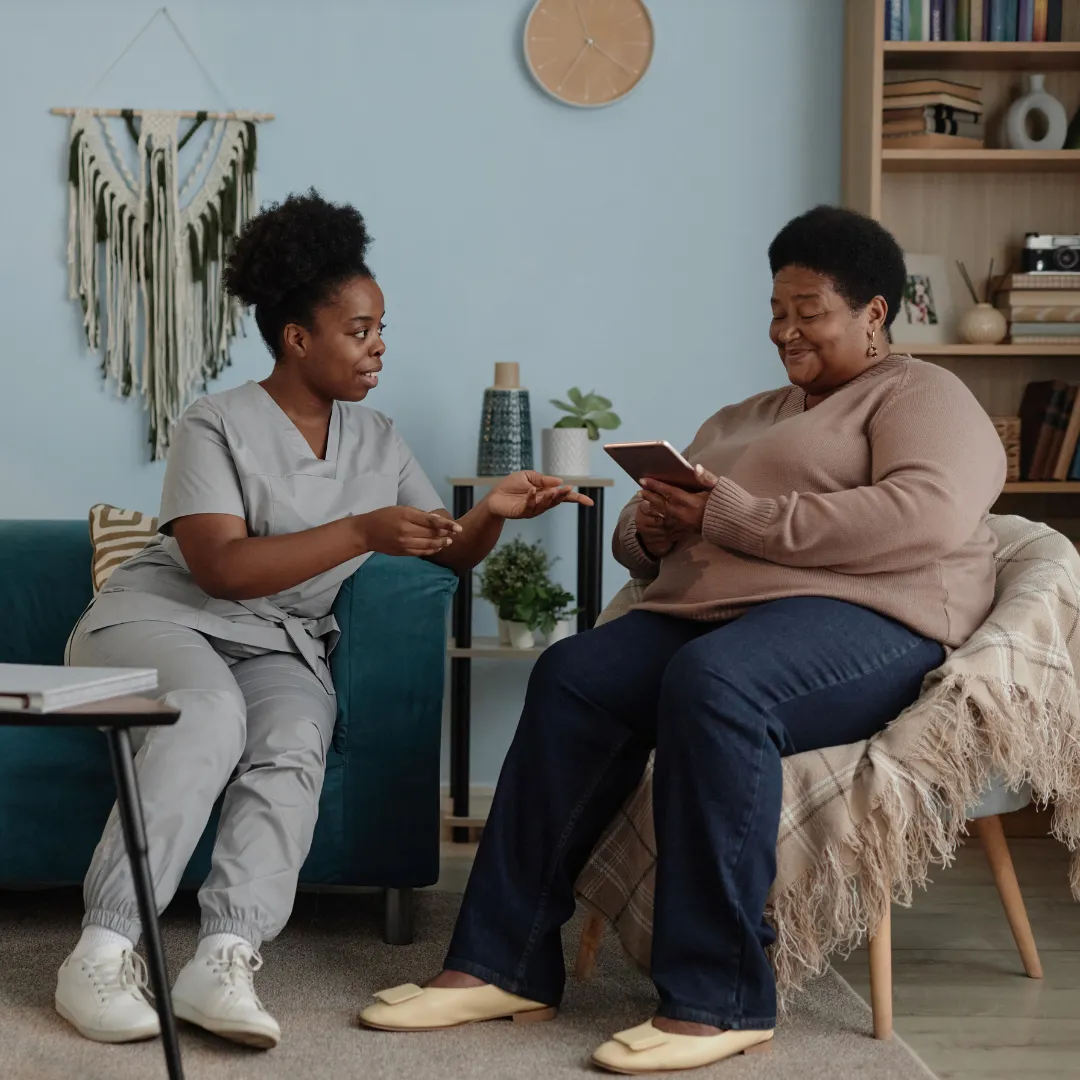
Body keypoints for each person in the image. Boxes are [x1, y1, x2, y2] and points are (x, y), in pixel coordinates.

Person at [358, 205, 1007, 1074]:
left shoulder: (925, 397)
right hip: (727, 612)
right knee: (575, 672)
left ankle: (722, 996)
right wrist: (658, 527)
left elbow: (923, 514)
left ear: (874, 314)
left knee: (717, 686)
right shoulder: (747, 415)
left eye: (807, 310)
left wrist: (732, 513)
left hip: (878, 615)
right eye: (776, 309)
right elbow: (645, 539)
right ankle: (500, 961)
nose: (784, 330)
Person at [55, 190, 589, 1049]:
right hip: (164, 620)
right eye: (361, 329)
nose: (380, 345)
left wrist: (490, 511)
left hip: (279, 644)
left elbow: (446, 551)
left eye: (381, 328)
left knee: (298, 733)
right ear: (298, 337)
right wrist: (358, 529)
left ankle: (223, 955)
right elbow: (221, 569)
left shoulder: (378, 438)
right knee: (210, 711)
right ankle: (103, 949)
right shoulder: (215, 423)